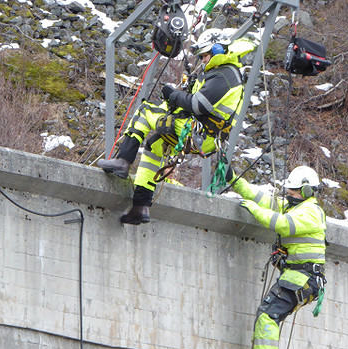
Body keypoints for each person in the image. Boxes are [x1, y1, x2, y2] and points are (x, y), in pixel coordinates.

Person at [97, 29, 255, 224]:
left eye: (205, 55)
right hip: (204, 136)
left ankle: (123, 161)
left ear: (217, 50)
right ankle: (141, 206)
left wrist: (173, 95)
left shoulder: (225, 75)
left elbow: (199, 105)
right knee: (154, 145)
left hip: (199, 134)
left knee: (145, 111)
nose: (203, 60)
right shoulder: (221, 73)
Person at [228, 165, 327, 349]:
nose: (288, 196)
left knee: (267, 315)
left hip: (303, 277)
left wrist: (253, 210)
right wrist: (235, 180)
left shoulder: (310, 211)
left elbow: (282, 224)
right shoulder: (297, 206)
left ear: (306, 191)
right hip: (298, 276)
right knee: (267, 314)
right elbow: (266, 201)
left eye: (292, 192)